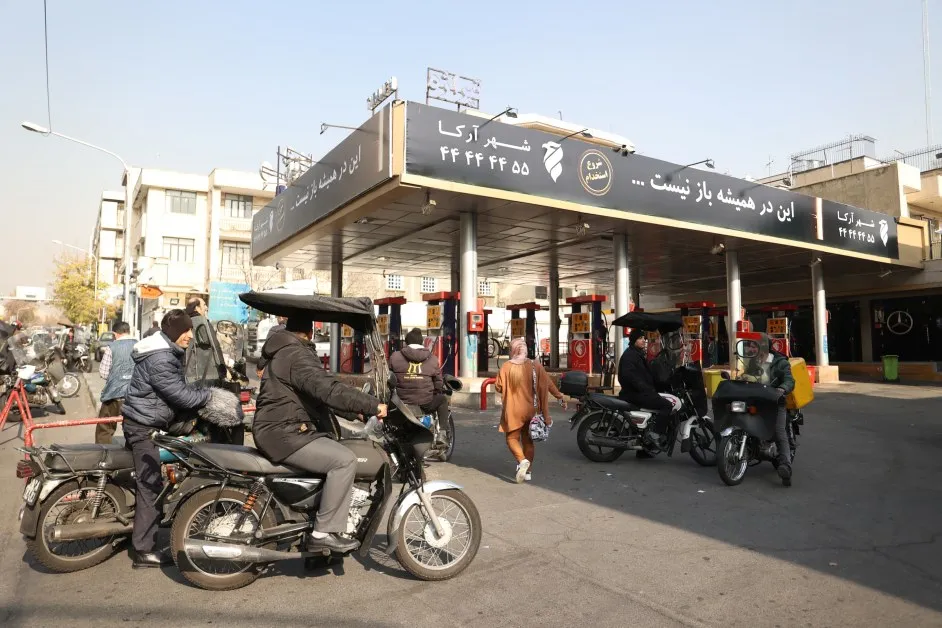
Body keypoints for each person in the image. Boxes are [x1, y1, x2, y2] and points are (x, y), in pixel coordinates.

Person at [253, 316, 387, 554]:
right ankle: (322, 534)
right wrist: (372, 404)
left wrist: (357, 412)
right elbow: (327, 389)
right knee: (344, 460)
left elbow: (315, 396)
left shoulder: (286, 350)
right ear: (310, 333)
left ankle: (318, 532)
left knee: (337, 449)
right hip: (284, 431)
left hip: (284, 428)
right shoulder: (296, 354)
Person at [121, 309, 212, 568]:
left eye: (191, 330)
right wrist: (210, 396)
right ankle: (144, 551)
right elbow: (180, 395)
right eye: (186, 331)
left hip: (145, 420)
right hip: (143, 427)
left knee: (147, 480)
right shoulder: (161, 358)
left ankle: (140, 527)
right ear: (174, 332)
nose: (190, 335)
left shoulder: (164, 350)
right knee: (150, 485)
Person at [495, 338, 566, 484]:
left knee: (511, 439)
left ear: (512, 350)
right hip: (531, 410)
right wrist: (560, 397)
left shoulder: (506, 367)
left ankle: (522, 461)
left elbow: (498, 387)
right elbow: (548, 383)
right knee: (528, 441)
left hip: (513, 410)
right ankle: (528, 472)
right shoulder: (535, 365)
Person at [742, 333, 796, 485]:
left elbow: (789, 380)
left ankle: (785, 466)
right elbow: (747, 376)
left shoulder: (780, 362)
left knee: (779, 431)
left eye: (754, 346)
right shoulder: (753, 362)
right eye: (750, 346)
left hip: (775, 401)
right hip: (756, 400)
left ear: (764, 347)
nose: (751, 349)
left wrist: (782, 388)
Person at [389, 328, 450, 452]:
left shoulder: (395, 357)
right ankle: (442, 433)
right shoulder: (432, 359)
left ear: (406, 342)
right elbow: (438, 383)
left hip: (402, 402)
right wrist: (436, 390)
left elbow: (389, 378)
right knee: (442, 400)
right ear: (422, 342)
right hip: (425, 402)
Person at [617, 329, 676, 454]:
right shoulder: (630, 355)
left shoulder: (637, 353)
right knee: (667, 405)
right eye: (640, 338)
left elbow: (646, 374)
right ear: (634, 340)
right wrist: (645, 388)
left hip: (639, 392)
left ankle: (645, 449)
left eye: (644, 338)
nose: (644, 340)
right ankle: (655, 434)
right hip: (634, 394)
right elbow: (629, 377)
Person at [94, 322, 135, 444]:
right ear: (128, 331)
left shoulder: (111, 347)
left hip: (114, 395)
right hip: (135, 394)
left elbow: (103, 373)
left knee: (105, 428)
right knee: (134, 428)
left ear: (115, 334)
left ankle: (103, 452)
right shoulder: (140, 345)